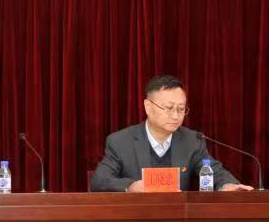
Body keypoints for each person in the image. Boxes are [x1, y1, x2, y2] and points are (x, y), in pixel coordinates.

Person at [91, 75, 252, 192]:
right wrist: (131, 186)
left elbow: (213, 171)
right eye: (168, 108)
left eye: (181, 109)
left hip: (178, 220)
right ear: (148, 107)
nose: (176, 116)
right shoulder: (121, 141)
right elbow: (100, 180)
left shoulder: (192, 140)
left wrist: (227, 185)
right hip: (136, 220)